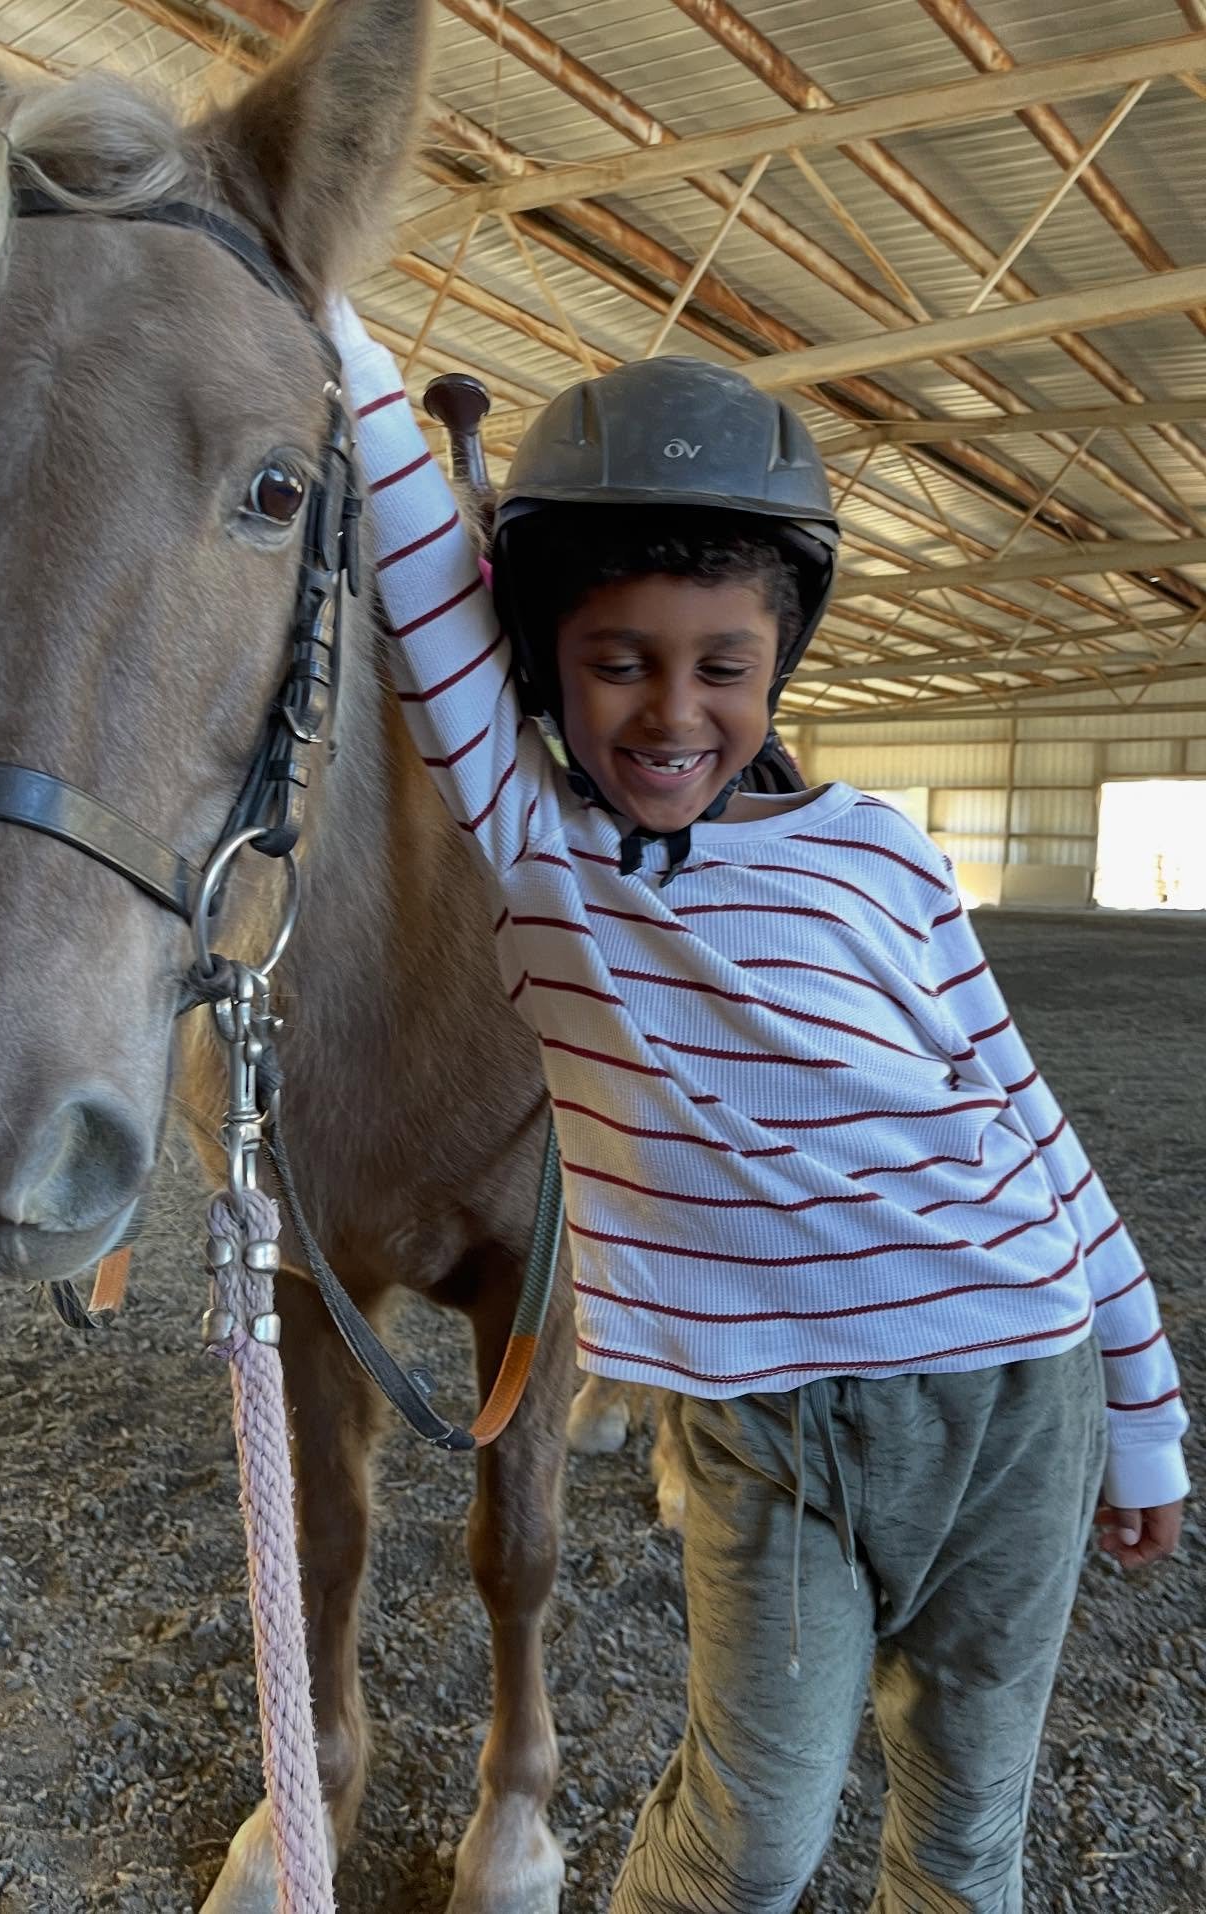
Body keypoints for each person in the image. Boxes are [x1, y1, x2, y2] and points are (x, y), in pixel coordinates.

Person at [327, 298, 1189, 1913]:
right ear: (542, 668)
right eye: (617, 663)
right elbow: (431, 603)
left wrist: (1144, 1408)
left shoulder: (882, 850)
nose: (671, 712)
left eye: (723, 665)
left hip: (1020, 1385)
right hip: (769, 1428)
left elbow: (1027, 1117)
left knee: (964, 1834)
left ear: (778, 662)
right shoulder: (541, 849)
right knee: (751, 1843)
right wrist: (321, 292)